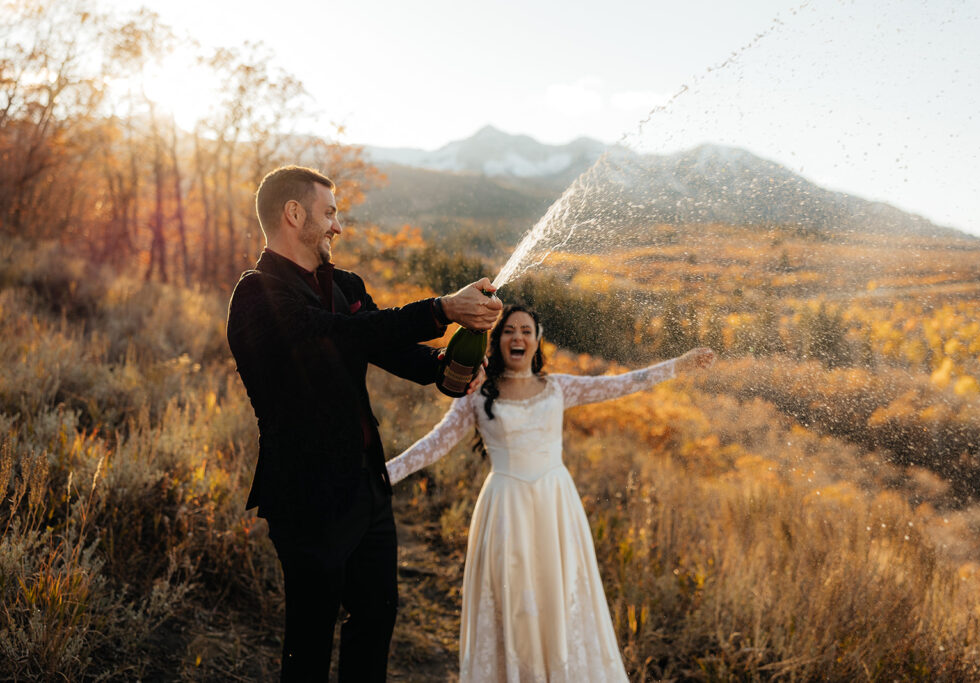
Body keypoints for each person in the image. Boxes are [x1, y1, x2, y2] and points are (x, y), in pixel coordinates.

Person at [225, 165, 502, 682]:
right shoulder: (256, 295)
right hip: (306, 498)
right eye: (329, 213)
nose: (338, 226)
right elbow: (337, 334)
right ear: (293, 214)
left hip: (367, 489)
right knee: (309, 641)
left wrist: (445, 369)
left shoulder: (346, 285)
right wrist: (443, 308)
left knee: (374, 623)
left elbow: (385, 343)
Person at [386, 304, 715, 681]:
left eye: (526, 330)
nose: (517, 337)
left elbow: (623, 384)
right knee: (514, 603)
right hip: (506, 509)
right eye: (509, 331)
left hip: (556, 508)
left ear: (537, 340)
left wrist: (679, 365)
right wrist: (383, 475)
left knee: (560, 598)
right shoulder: (477, 394)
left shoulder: (559, 387)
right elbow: (436, 443)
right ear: (496, 341)